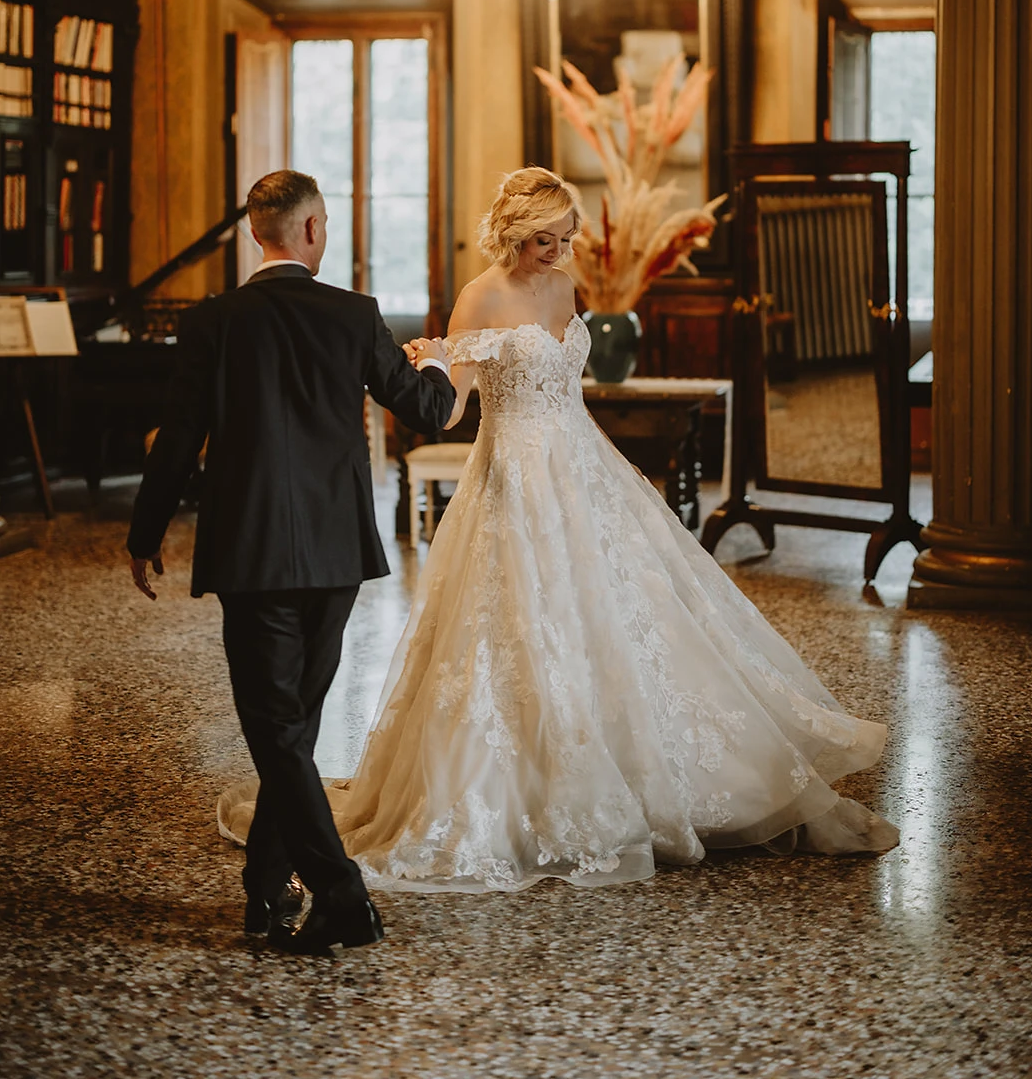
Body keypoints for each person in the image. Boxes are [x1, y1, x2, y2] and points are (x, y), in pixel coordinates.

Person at [289, 166, 898, 891]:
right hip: (513, 478)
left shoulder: (564, 286)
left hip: (582, 466)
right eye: (543, 240)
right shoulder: (480, 295)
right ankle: (525, 789)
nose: (557, 252)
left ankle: (655, 771)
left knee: (629, 621)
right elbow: (453, 411)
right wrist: (432, 363)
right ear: (514, 233)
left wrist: (612, 464)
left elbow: (565, 396)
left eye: (565, 239)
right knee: (521, 629)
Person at [127, 169, 455, 954]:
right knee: (292, 726)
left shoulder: (215, 322)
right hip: (338, 551)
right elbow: (429, 409)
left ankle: (340, 894)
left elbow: (178, 439)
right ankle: (267, 886)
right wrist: (439, 359)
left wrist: (146, 532)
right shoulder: (355, 315)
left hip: (252, 551)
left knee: (279, 729)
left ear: (254, 233)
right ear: (313, 230)